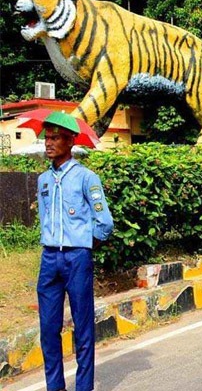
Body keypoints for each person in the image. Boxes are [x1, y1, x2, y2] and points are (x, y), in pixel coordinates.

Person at [36, 111, 114, 391]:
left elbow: (104, 222)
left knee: (82, 328)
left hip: (77, 259)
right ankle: (55, 386)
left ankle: (84, 386)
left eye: (55, 138)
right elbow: (44, 218)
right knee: (48, 328)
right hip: (49, 260)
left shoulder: (86, 177)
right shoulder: (43, 180)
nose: (48, 143)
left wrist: (84, 244)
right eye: (47, 137)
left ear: (70, 141)